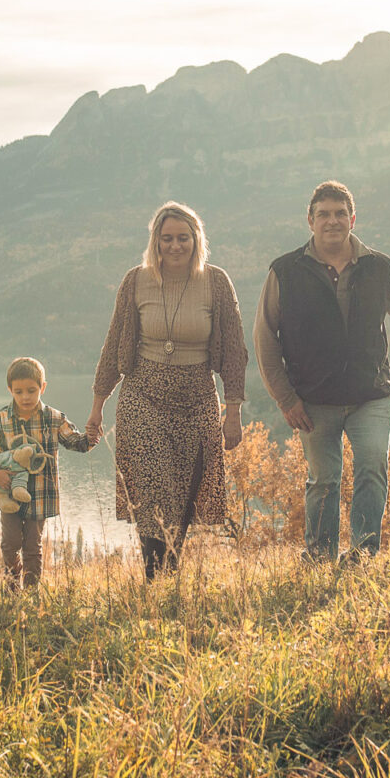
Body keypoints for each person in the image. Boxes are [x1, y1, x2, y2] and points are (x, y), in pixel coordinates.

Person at [257, 180, 390, 561]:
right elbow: (265, 337)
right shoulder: (285, 271)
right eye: (324, 214)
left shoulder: (378, 266)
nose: (332, 221)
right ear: (309, 221)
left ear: (353, 218)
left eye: (340, 213)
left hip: (370, 393)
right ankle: (321, 555)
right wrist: (285, 398)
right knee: (324, 480)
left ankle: (364, 554)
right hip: (312, 399)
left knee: (373, 467)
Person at [88, 202, 249, 579]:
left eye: (183, 238)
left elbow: (235, 352)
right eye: (167, 239)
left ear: (196, 240)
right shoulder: (136, 281)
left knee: (184, 498)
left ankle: (166, 575)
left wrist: (234, 411)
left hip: (197, 401)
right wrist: (97, 406)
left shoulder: (216, 282)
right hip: (142, 397)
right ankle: (154, 578)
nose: (175, 246)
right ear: (155, 242)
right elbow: (113, 346)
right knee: (153, 493)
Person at [0, 357, 93, 588]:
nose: (25, 397)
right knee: (10, 543)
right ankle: (11, 590)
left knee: (32, 546)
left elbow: (77, 443)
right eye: (18, 391)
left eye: (31, 390)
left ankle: (31, 593)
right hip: (8, 493)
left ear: (43, 387)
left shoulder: (54, 418)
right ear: (10, 389)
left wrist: (92, 433)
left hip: (39, 494)